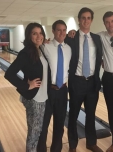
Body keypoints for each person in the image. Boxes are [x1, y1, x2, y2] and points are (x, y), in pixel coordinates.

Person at [68, 11, 113, 152]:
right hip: (106, 80)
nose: (110, 24)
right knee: (112, 113)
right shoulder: (98, 37)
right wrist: (70, 32)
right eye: (107, 22)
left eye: (112, 21)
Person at [4, 22, 51, 152]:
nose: (38, 36)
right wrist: (26, 85)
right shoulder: (26, 53)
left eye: (40, 33)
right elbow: (9, 74)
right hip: (34, 98)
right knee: (34, 134)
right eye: (34, 33)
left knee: (37, 131)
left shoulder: (40, 49)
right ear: (29, 36)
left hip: (42, 97)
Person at [65, 7, 103, 152]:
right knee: (73, 115)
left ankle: (91, 143)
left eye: (88, 18)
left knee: (91, 115)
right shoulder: (71, 38)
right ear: (78, 20)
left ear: (91, 20)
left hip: (92, 82)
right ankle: (73, 145)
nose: (86, 21)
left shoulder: (97, 38)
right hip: (77, 81)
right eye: (83, 18)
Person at [39, 20, 71, 152]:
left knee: (59, 125)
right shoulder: (44, 46)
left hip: (63, 91)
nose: (61, 33)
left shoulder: (69, 49)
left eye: (64, 30)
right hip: (48, 91)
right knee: (43, 124)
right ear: (53, 31)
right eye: (59, 30)